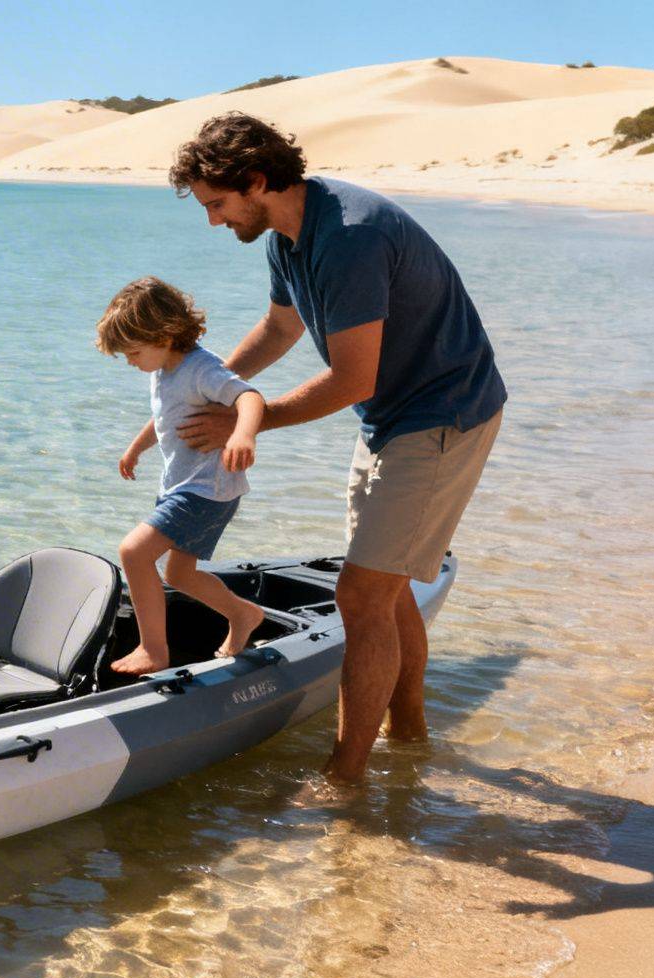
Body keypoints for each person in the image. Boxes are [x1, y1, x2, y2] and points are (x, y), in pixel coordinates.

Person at [167, 113, 506, 783]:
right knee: (386, 589)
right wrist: (213, 393)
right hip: (391, 417)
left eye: (216, 204)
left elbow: (354, 377)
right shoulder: (287, 233)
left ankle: (344, 782)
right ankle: (409, 738)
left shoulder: (350, 237)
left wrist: (249, 423)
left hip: (443, 415)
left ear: (257, 181)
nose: (212, 221)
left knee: (361, 595)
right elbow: (278, 327)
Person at [95, 277, 269, 676]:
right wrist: (137, 447)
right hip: (186, 487)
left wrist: (243, 434)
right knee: (179, 574)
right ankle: (243, 615)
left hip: (206, 491)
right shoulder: (165, 369)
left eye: (133, 352)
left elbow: (249, 397)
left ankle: (153, 650)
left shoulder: (200, 368)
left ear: (165, 334)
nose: (130, 361)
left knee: (134, 552)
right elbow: (163, 416)